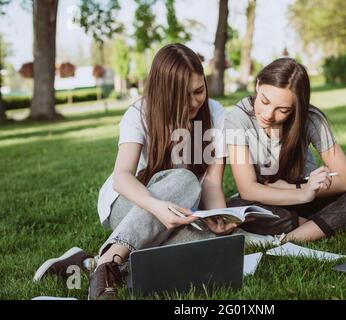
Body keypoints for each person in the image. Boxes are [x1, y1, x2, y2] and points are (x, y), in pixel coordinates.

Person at [34, 44, 239, 300]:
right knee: (185, 181)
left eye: (198, 91)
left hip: (181, 211)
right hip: (132, 204)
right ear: (164, 93)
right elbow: (122, 177)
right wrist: (156, 206)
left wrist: (218, 218)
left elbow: (211, 183)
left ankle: (90, 263)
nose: (193, 102)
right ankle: (111, 259)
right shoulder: (140, 113)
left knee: (213, 245)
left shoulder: (217, 114)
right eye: (182, 96)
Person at [224, 58, 346, 243]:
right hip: (269, 198)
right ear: (258, 84)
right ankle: (335, 224)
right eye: (265, 101)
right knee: (236, 208)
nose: (269, 115)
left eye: (283, 110)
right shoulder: (237, 118)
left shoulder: (310, 118)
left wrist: (301, 189)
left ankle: (288, 239)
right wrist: (301, 193)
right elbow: (248, 190)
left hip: (309, 196)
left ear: (296, 107)